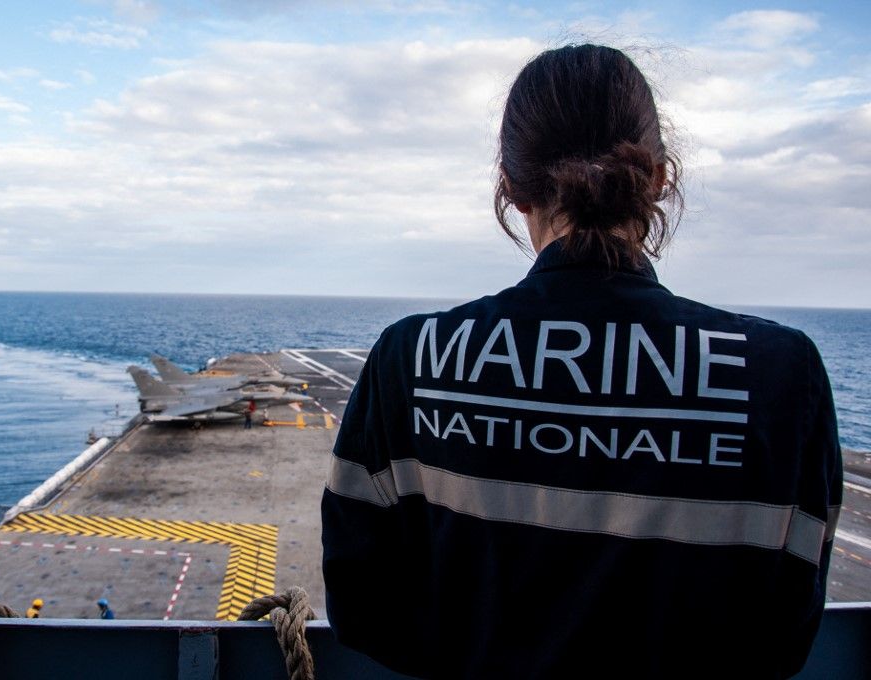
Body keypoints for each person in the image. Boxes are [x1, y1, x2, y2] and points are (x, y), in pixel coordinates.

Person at [321, 44, 841, 679]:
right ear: (658, 177)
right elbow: (785, 635)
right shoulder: (784, 373)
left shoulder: (411, 357)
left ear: (511, 188)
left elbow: (363, 609)